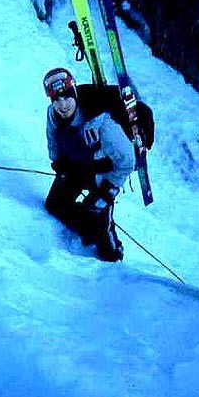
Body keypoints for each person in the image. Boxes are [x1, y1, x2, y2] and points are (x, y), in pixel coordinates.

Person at [43, 67, 154, 262]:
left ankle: (113, 252)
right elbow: (52, 137)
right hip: (78, 166)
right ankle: (87, 229)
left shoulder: (103, 124)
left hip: (103, 175)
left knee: (102, 231)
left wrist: (108, 190)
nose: (62, 105)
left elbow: (127, 161)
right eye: (56, 100)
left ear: (74, 92)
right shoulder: (53, 114)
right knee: (55, 204)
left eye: (66, 97)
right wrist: (57, 162)